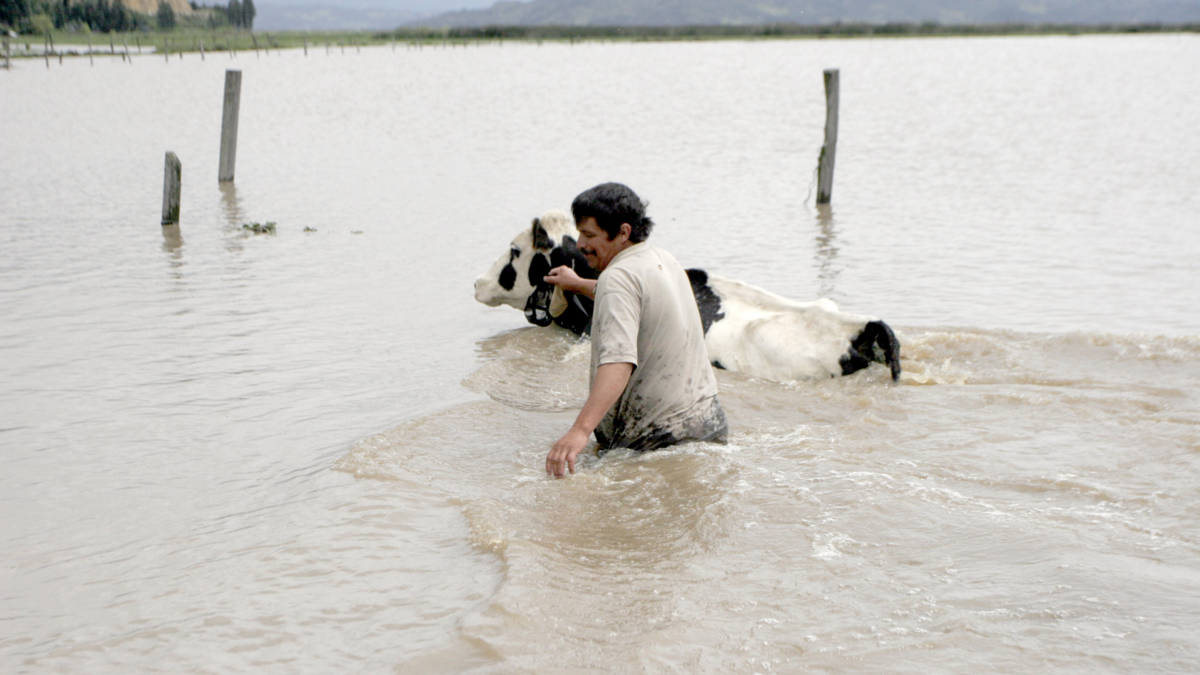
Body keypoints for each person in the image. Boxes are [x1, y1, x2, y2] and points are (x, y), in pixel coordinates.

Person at [543, 183, 727, 477]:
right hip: (708, 425)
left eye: (589, 235)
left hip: (656, 440)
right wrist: (577, 284)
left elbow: (618, 362)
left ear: (623, 232)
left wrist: (579, 431)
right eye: (579, 233)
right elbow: (632, 297)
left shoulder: (617, 278)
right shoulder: (662, 259)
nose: (579, 244)